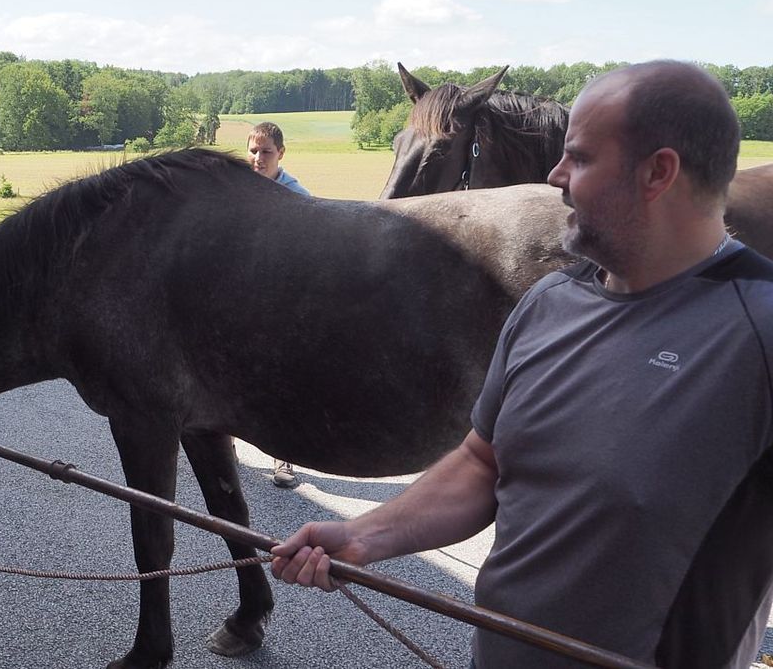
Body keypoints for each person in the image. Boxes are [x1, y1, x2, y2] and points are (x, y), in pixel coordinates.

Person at [271, 60, 773, 668]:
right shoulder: (548, 302)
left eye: (579, 159)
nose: (555, 176)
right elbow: (483, 462)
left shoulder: (759, 329)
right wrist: (361, 534)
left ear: (658, 173)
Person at [246, 121, 310, 487]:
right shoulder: (235, 189)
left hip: (280, 306)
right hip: (240, 302)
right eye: (253, 150)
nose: (258, 158)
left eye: (266, 151)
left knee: (281, 383)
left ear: (281, 154)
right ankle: (226, 446)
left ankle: (284, 458)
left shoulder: (297, 198)